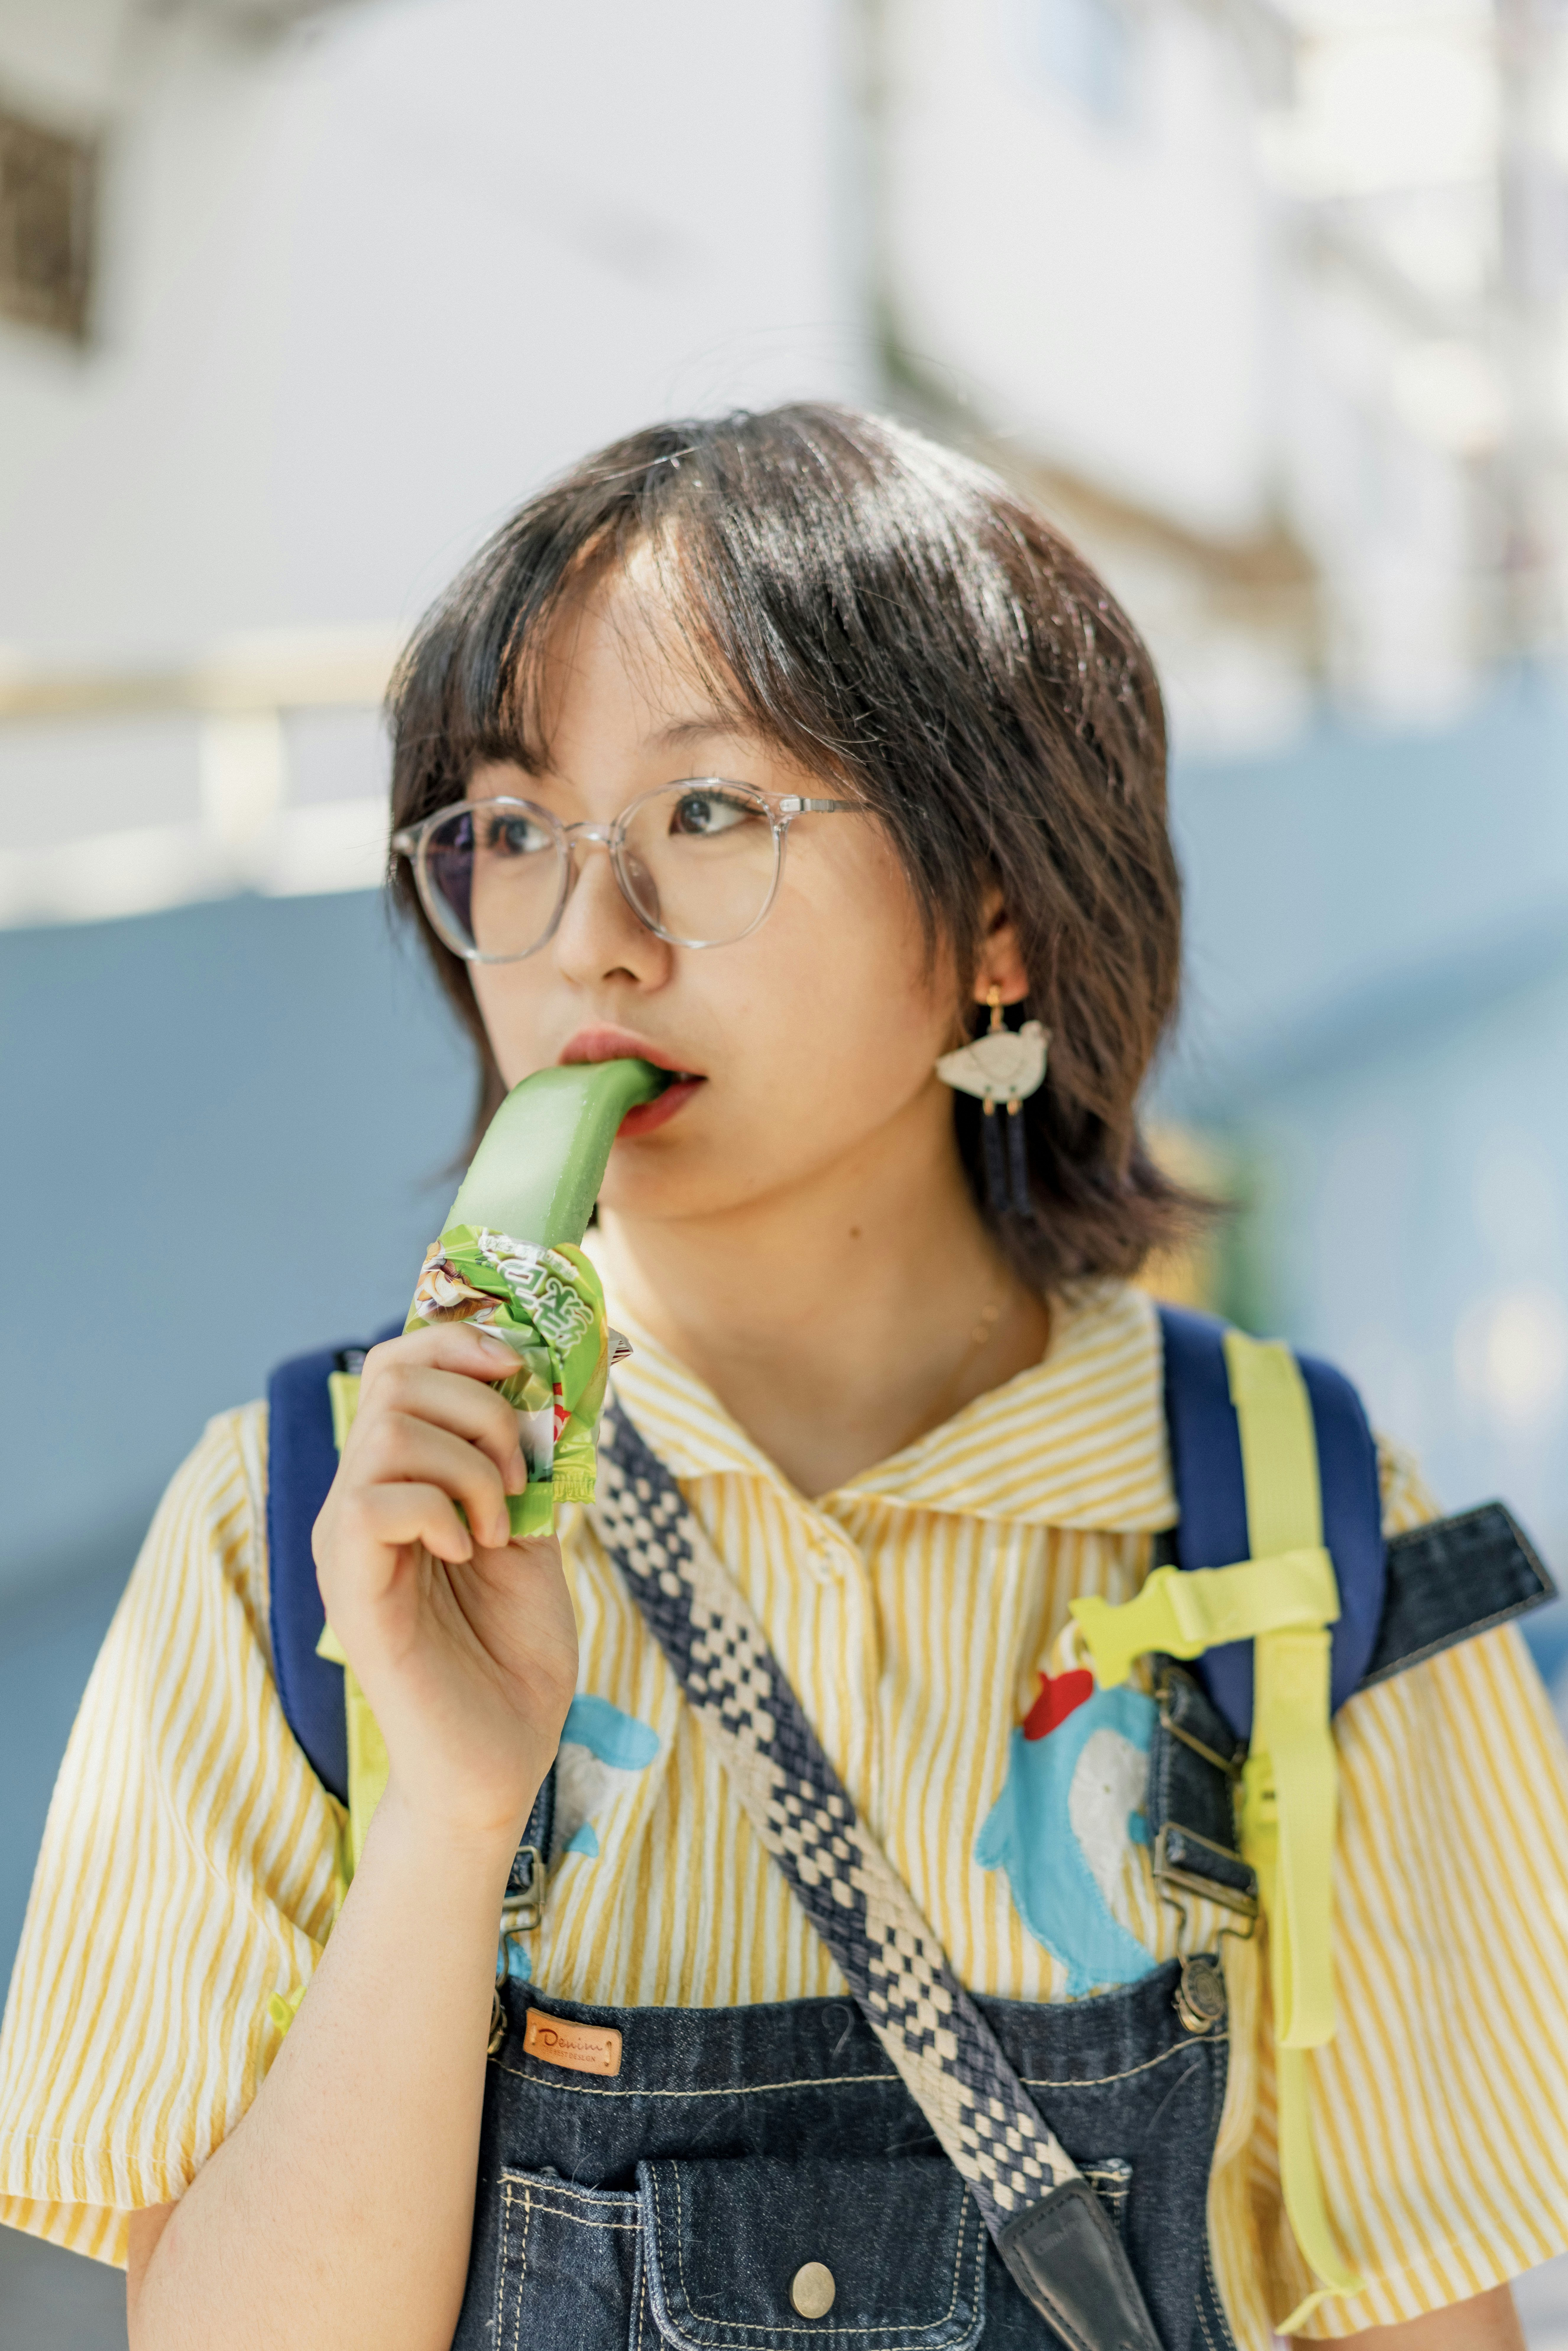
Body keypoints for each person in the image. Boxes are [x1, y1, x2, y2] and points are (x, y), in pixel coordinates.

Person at [2, 406, 1567, 2351]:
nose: (589, 939)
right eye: (505, 831)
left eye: (711, 814)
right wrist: (447, 1815)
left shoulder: (1313, 1536)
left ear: (994, 912)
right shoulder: (299, 1533)